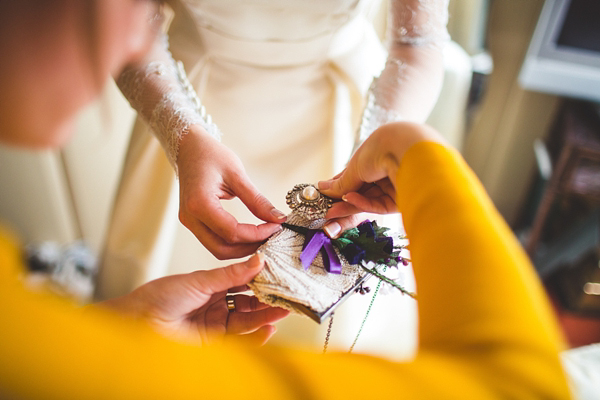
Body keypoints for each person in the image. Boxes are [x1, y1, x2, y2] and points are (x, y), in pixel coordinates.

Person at [0, 2, 572, 397]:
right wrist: (412, 154)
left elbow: (418, 39)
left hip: (340, 107)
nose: (138, 37)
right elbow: (519, 385)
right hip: (204, 88)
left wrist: (118, 330)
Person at [96, 0, 450, 302]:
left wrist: (376, 151)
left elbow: (419, 43)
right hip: (187, 106)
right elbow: (123, 18)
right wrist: (181, 137)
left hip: (351, 120)